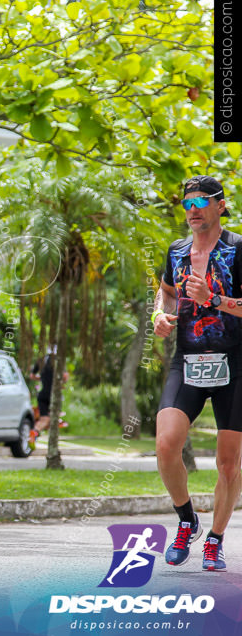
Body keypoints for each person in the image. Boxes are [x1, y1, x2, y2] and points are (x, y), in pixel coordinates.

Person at [153, 175, 242, 572]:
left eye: (201, 203)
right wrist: (159, 313)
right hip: (187, 360)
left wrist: (214, 299)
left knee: (228, 463)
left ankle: (216, 540)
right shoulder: (177, 250)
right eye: (187, 204)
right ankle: (187, 520)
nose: (192, 211)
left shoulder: (238, 249)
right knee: (166, 444)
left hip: (236, 364)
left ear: (221, 205)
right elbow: (167, 291)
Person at [28, 345, 69, 444]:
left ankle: (35, 432)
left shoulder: (41, 360)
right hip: (54, 395)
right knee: (54, 419)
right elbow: (65, 376)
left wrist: (41, 379)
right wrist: (61, 382)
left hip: (42, 394)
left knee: (44, 419)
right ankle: (52, 441)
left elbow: (32, 376)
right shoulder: (58, 361)